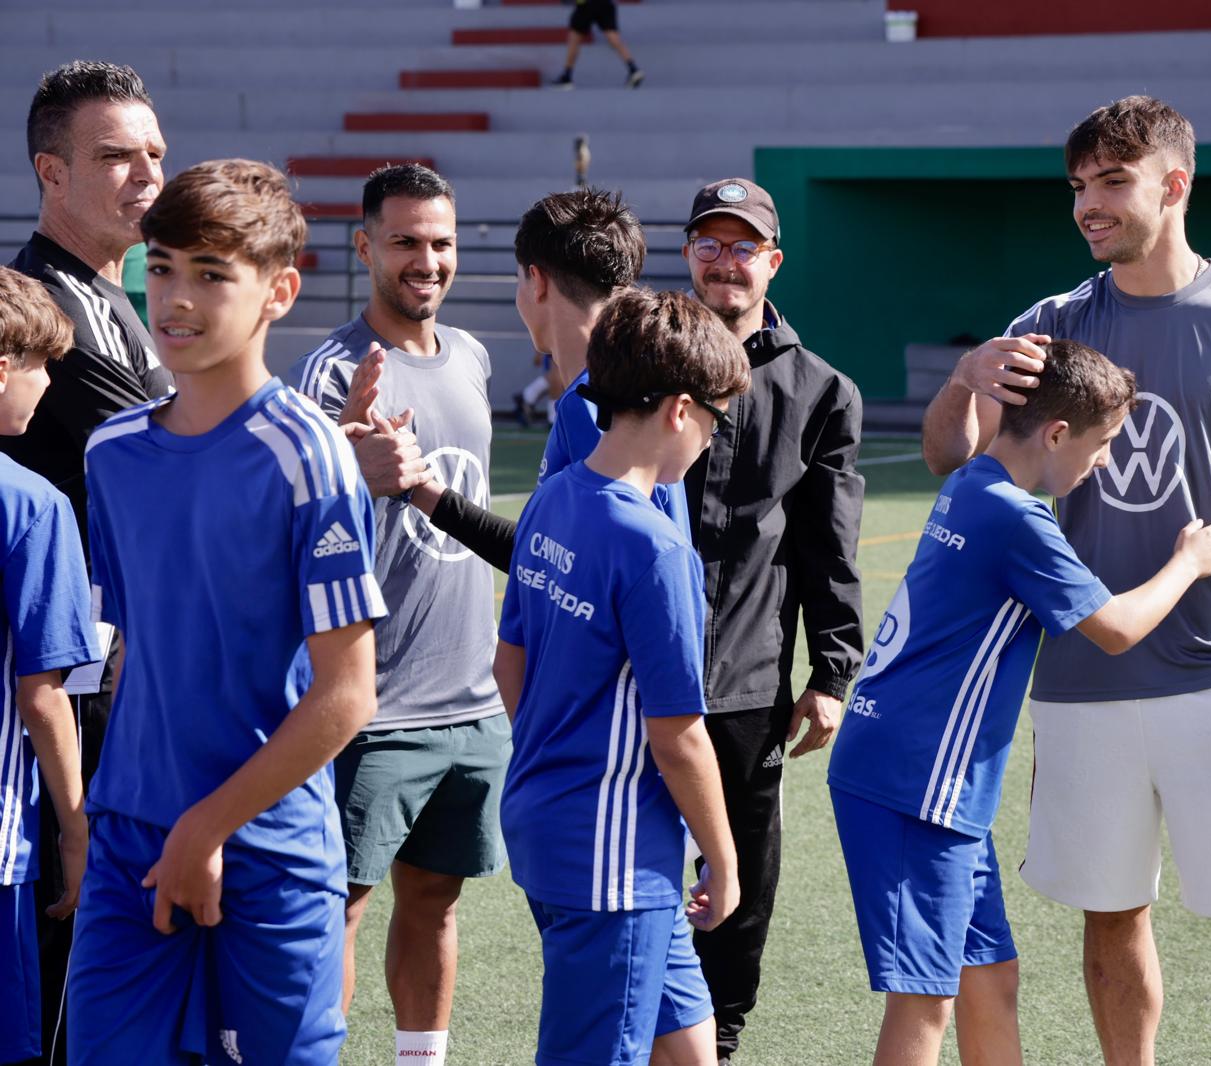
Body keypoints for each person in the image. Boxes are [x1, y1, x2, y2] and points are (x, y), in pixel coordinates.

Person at [920, 96, 1211, 1066]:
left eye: (1110, 182)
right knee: (1110, 918)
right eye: (1078, 187)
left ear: (1174, 184)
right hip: (1077, 681)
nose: (1087, 206)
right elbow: (951, 454)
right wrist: (965, 376)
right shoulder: (1050, 325)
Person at [828, 339, 1211, 1066]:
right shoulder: (1019, 518)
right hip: (917, 783)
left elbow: (951, 454)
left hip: (929, 781)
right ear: (1055, 434)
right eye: (1103, 443)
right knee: (925, 1000)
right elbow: (1114, 629)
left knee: (991, 978)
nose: (1105, 461)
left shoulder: (975, 481)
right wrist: (1189, 563)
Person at [67, 159, 384, 1065]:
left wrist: (207, 826)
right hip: (131, 842)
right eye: (162, 266)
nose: (175, 297)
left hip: (268, 850)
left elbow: (346, 694)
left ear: (279, 291)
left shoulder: (308, 455)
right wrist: (90, 810)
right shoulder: (112, 452)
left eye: (212, 273)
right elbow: (122, 653)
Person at [492, 288, 747, 1066]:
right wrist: (725, 862)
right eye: (716, 418)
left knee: (688, 1049)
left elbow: (510, 662)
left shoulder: (553, 497)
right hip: (613, 855)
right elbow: (679, 738)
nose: (711, 437)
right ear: (679, 409)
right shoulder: (654, 548)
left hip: (552, 821)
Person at [291, 164, 504, 1066]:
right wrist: (347, 467)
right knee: (336, 905)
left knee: (436, 899)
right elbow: (287, 529)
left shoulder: (474, 354)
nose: (428, 260)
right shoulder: (331, 371)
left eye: (443, 242)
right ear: (365, 245)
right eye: (408, 241)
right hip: (371, 708)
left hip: (471, 699)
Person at [0, 59, 170, 1065]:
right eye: (115, 156)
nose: (146, 173)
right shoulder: (42, 313)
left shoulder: (120, 297)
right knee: (68, 972)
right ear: (49, 173)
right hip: (64, 698)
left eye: (154, 152)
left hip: (107, 685)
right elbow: (180, 456)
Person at [680, 177, 865, 1063]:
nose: (725, 259)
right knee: (629, 866)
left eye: (742, 244)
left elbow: (831, 549)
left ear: (772, 261)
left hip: (748, 680)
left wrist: (833, 674)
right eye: (709, 243)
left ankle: (720, 1036)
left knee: (742, 877)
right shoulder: (641, 360)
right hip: (633, 669)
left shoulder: (822, 391)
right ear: (688, 256)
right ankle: (638, 1019)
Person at [385, 187, 650, 573]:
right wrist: (420, 489)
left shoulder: (595, 403)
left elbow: (575, 571)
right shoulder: (631, 385)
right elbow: (548, 550)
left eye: (518, 279)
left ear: (537, 282)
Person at [0, 267, 96, 1066]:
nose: (47, 385)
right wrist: (74, 825)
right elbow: (43, 694)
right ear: (4, 366)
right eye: (42, 366)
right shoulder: (32, 504)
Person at [550, 0, 644, 90]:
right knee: (613, 37)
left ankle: (567, 76)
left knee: (574, 38)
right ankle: (633, 68)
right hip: (605, 3)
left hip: (586, 5)